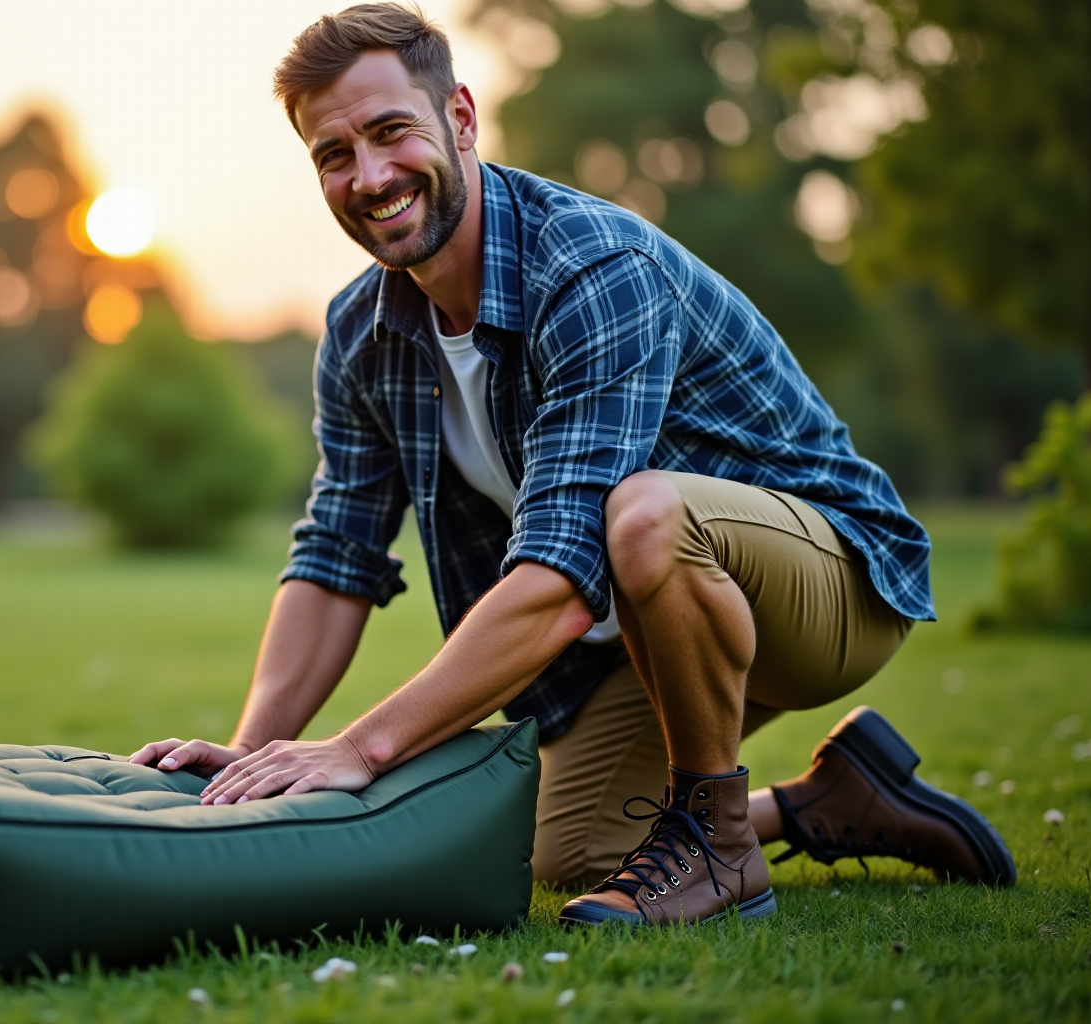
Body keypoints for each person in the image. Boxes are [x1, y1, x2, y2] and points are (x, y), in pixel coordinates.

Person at [129, 3, 1014, 926]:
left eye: (391, 132)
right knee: (570, 848)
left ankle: (716, 850)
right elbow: (336, 556)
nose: (371, 176)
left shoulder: (592, 269)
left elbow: (559, 579)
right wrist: (250, 754)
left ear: (460, 118)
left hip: (833, 584)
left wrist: (359, 747)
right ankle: (830, 803)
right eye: (334, 155)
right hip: (658, 618)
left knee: (644, 512)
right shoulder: (362, 333)